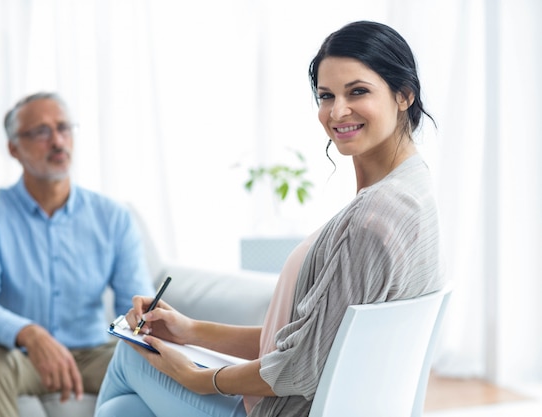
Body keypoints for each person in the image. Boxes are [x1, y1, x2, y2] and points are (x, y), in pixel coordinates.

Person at [94, 20, 445, 417]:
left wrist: (199, 377)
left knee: (128, 359)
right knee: (121, 411)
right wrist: (190, 330)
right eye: (326, 95)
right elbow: (314, 341)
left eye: (358, 91)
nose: (337, 111)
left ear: (404, 94)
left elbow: (300, 368)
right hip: (315, 401)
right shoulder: (413, 190)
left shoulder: (373, 218)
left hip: (285, 410)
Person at [0, 92, 156, 417]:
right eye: (41, 132)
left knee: (155, 364)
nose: (57, 140)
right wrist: (30, 333)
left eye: (63, 128)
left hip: (95, 354)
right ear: (13, 148)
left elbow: (132, 305)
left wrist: (141, 323)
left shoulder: (113, 216)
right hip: (22, 357)